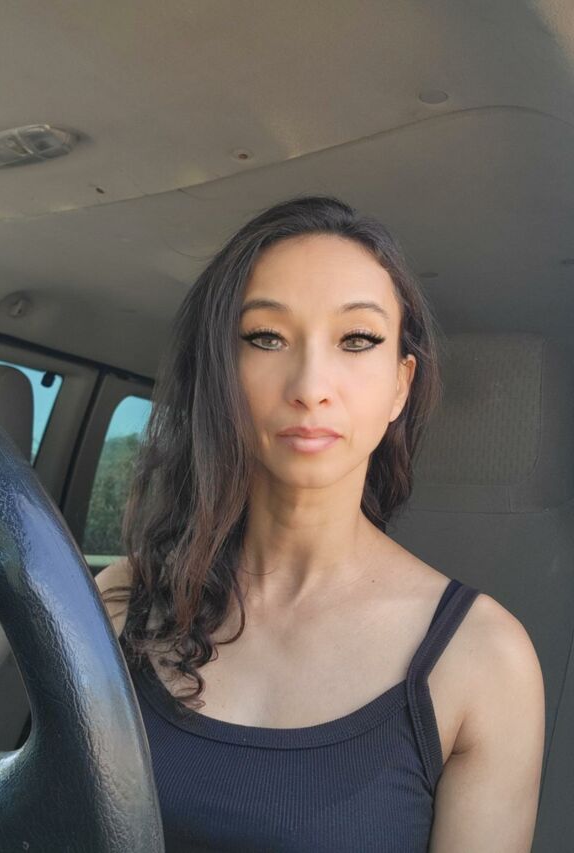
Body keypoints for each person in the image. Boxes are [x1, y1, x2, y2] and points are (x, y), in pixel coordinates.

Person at [96, 195, 545, 852]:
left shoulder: (484, 660)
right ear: (221, 372)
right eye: (266, 337)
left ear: (400, 386)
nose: (310, 385)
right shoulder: (121, 599)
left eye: (357, 340)